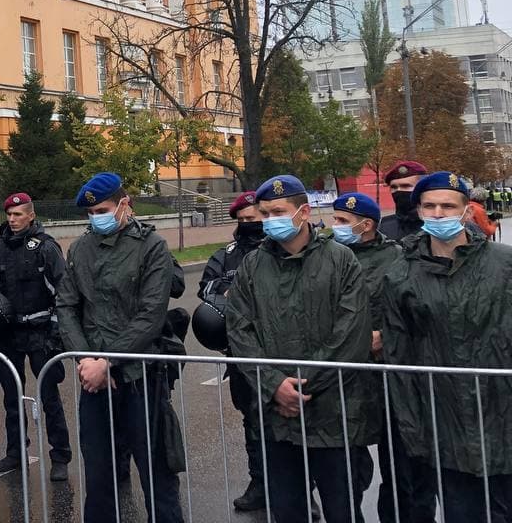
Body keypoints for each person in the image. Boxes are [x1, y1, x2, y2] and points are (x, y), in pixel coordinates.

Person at [226, 175, 377, 523]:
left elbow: (351, 335)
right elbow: (240, 330)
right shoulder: (253, 265)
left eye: (278, 212)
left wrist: (299, 387)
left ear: (304, 212)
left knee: (342, 509)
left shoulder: (340, 260)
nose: (269, 221)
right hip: (276, 416)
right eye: (265, 214)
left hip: (333, 414)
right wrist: (274, 386)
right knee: (287, 509)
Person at [383, 171, 512, 519]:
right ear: (420, 211)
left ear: (466, 211)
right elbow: (399, 357)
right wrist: (413, 428)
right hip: (444, 419)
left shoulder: (504, 265)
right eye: (430, 206)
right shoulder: (400, 275)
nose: (438, 213)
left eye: (448, 206)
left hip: (502, 413)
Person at [56, 173, 185, 523]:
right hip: (94, 382)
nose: (96, 217)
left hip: (142, 377)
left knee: (157, 473)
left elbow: (151, 315)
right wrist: (86, 359)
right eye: (90, 213)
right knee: (99, 476)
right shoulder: (80, 249)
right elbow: (66, 306)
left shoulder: (151, 246)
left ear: (124, 204)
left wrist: (108, 361)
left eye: (102, 210)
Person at [328, 191, 423, 520]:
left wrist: (386, 335)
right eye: (335, 219)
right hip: (345, 377)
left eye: (343, 220)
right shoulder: (327, 256)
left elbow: (412, 309)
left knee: (399, 466)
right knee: (345, 469)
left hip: (386, 376)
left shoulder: (397, 257)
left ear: (366, 225)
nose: (335, 226)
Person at [0, 191, 71, 478]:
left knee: (49, 397)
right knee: (12, 398)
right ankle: (15, 452)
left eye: (18, 214)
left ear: (31, 216)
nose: (12, 219)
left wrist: (56, 330)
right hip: (8, 335)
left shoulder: (45, 247)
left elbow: (63, 290)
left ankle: (60, 456)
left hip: (41, 333)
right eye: (9, 214)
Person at [197, 191, 268, 511]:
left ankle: (300, 489)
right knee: (252, 421)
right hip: (241, 354)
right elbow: (208, 289)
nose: (249, 224)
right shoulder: (225, 255)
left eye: (254, 218)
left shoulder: (279, 249)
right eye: (243, 220)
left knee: (292, 423)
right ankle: (259, 483)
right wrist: (234, 289)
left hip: (281, 351)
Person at [380, 160, 427, 242]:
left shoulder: (435, 224)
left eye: (405, 186)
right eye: (394, 187)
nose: (398, 191)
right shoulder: (383, 225)